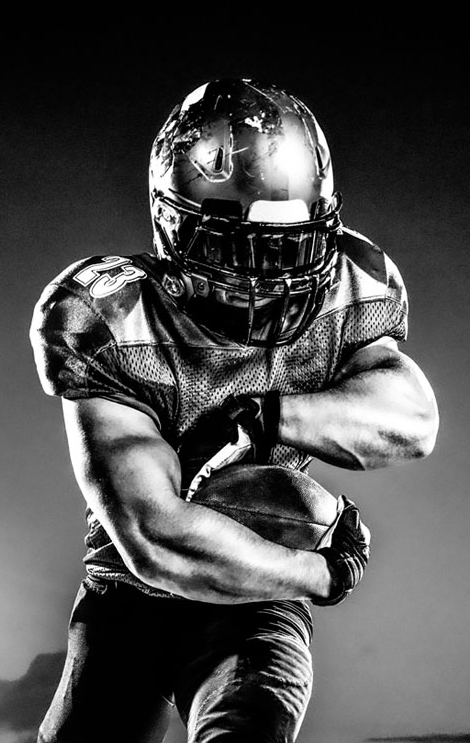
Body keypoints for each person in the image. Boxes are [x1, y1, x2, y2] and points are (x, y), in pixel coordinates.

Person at [29, 78, 439, 743]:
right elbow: (156, 537)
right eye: (238, 252)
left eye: (290, 248)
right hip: (129, 597)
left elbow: (412, 421)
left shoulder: (353, 285)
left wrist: (269, 419)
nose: (268, 279)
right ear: (174, 227)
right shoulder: (113, 316)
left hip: (254, 595)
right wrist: (319, 572)